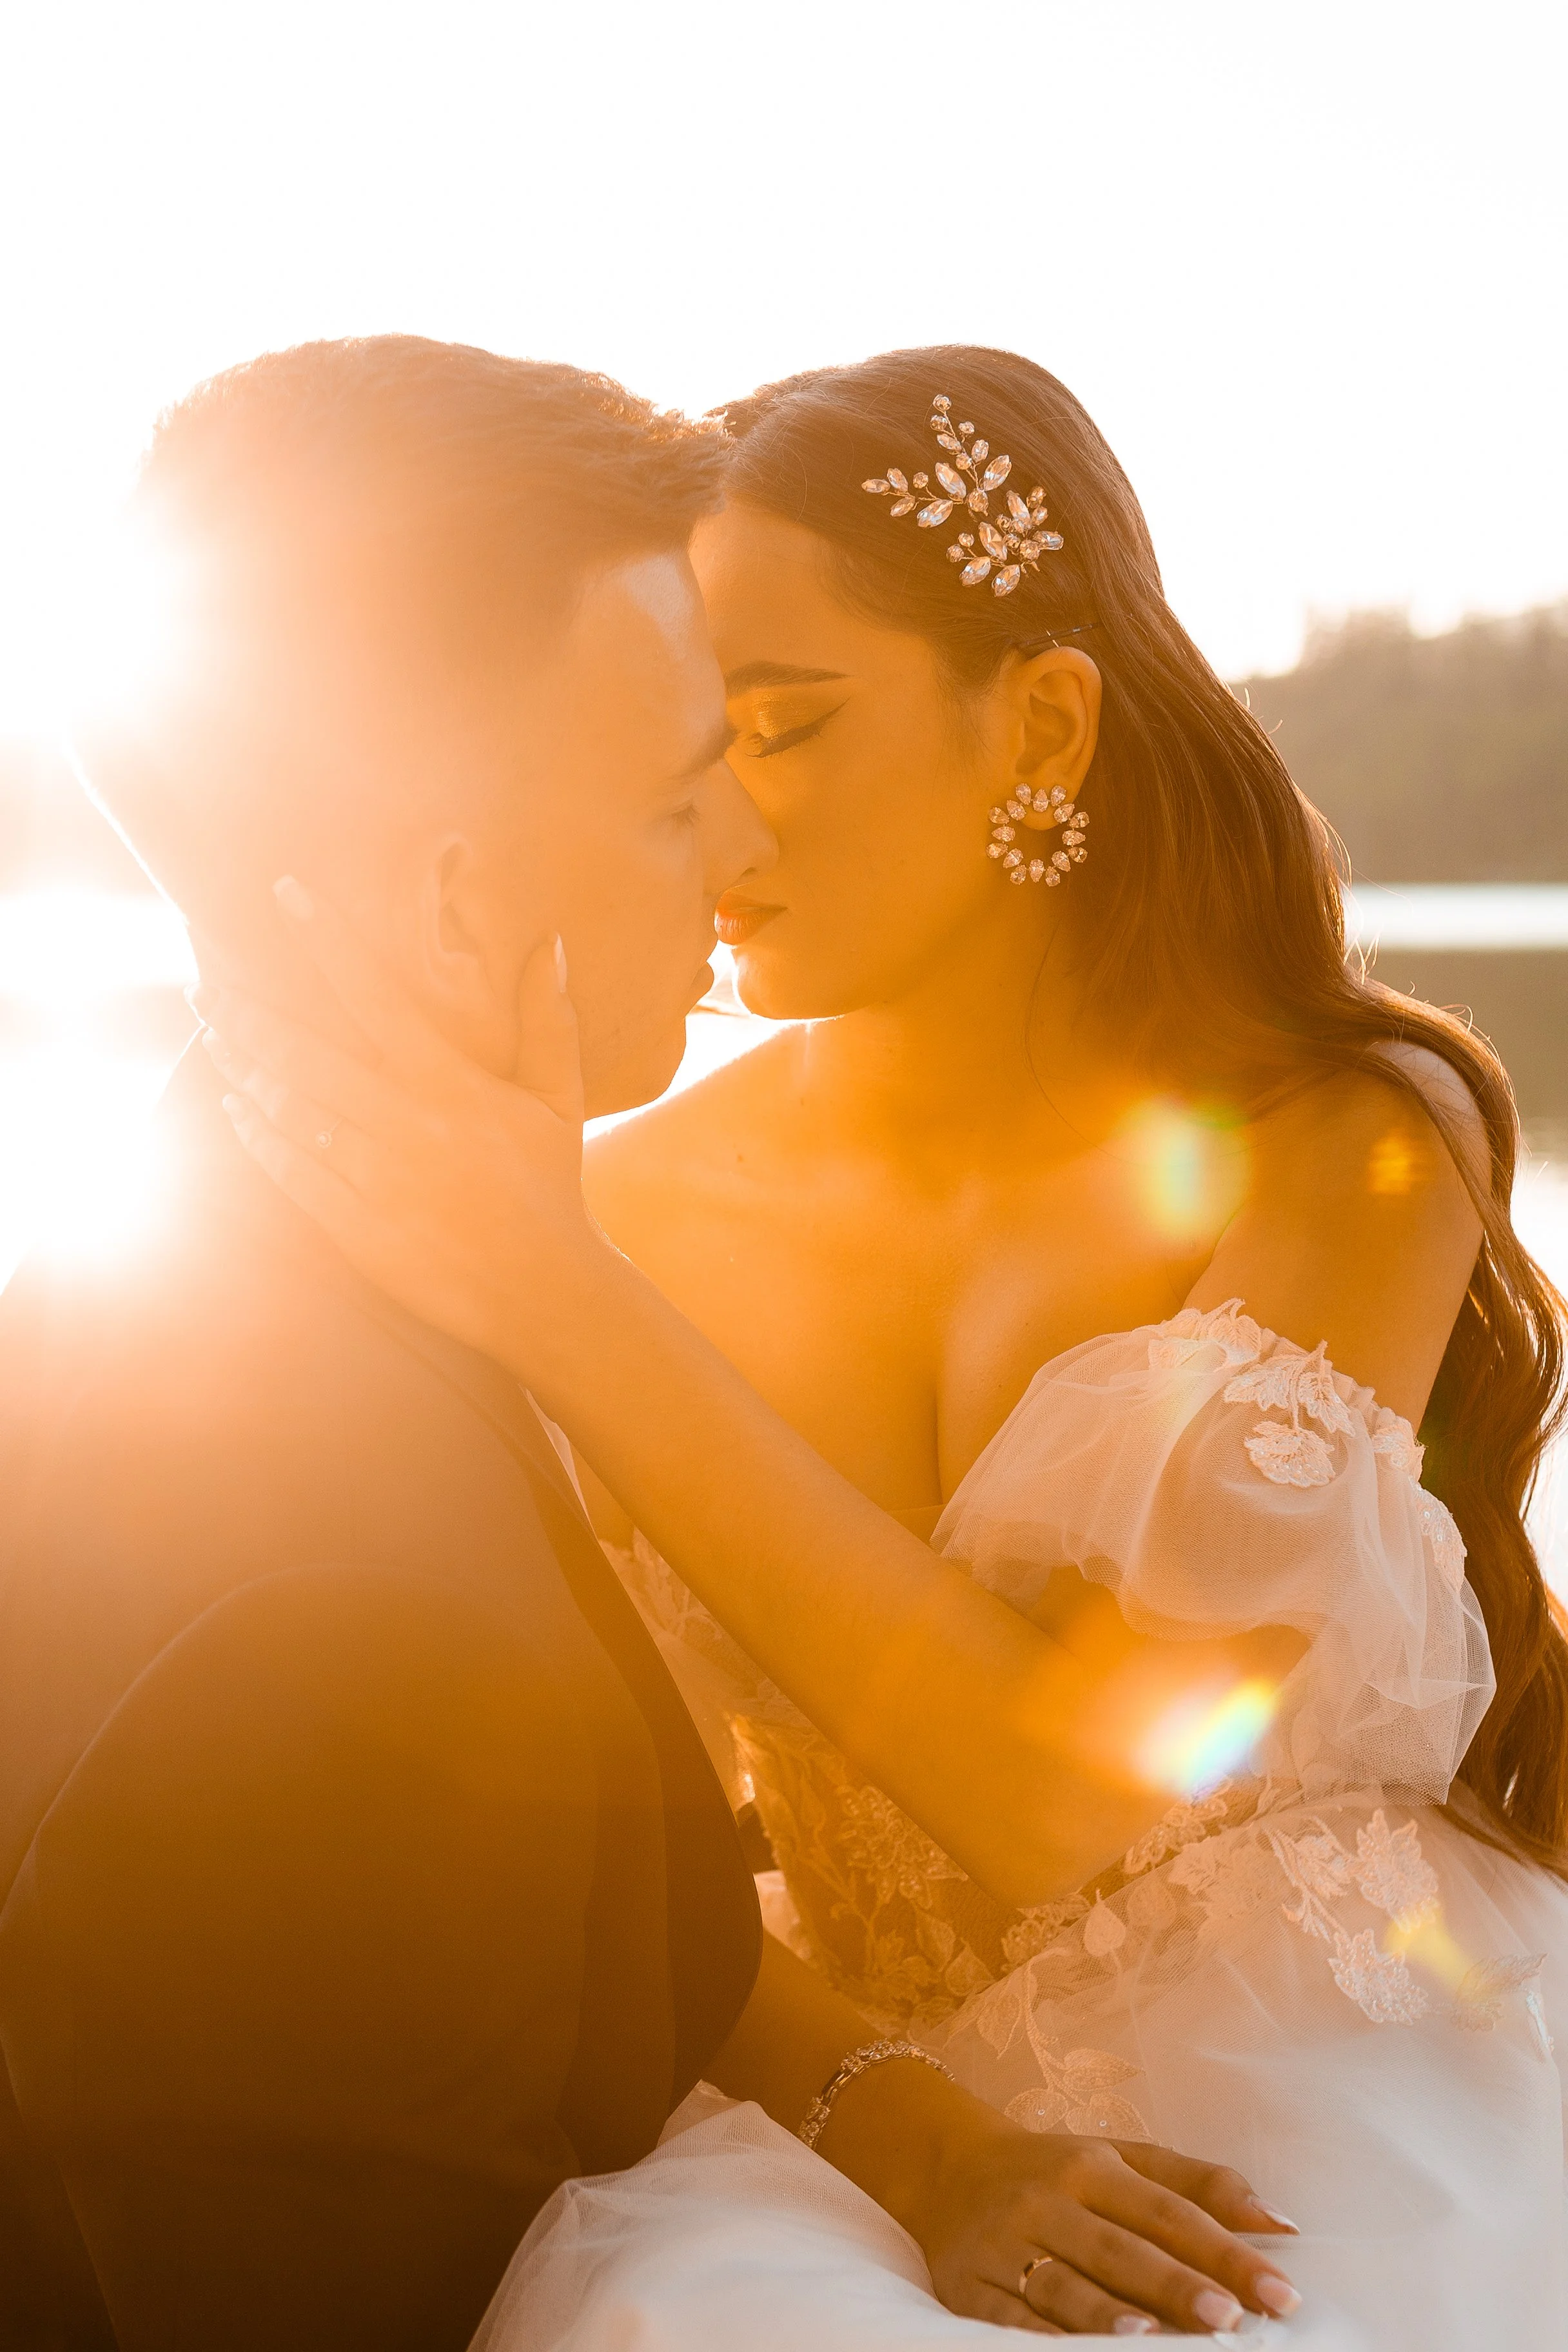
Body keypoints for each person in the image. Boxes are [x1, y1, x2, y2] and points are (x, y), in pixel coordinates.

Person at [206, 345, 1568, 2349]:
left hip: (1369, 2074)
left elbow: (1067, 1797)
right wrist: (907, 2134)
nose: (715, 806)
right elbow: (621, 1825)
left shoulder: (1346, 1138)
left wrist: (562, 1299)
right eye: (686, 732)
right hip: (858, 2116)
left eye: (786, 722)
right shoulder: (611, 1201)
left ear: (1039, 721)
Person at [0, 338, 1293, 2351]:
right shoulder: (345, 1627)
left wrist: (930, 2139)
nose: (737, 878)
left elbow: (648, 1907)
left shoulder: (263, 1294)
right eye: (685, 797)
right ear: (452, 907)